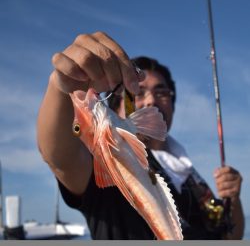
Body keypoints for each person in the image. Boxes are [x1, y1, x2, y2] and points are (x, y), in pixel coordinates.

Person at [37, 31, 244, 239]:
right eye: (138, 91)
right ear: (116, 107)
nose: (151, 101)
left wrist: (233, 199)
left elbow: (230, 237)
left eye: (161, 92)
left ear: (172, 103)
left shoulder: (191, 177)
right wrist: (61, 86)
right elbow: (59, 158)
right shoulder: (102, 162)